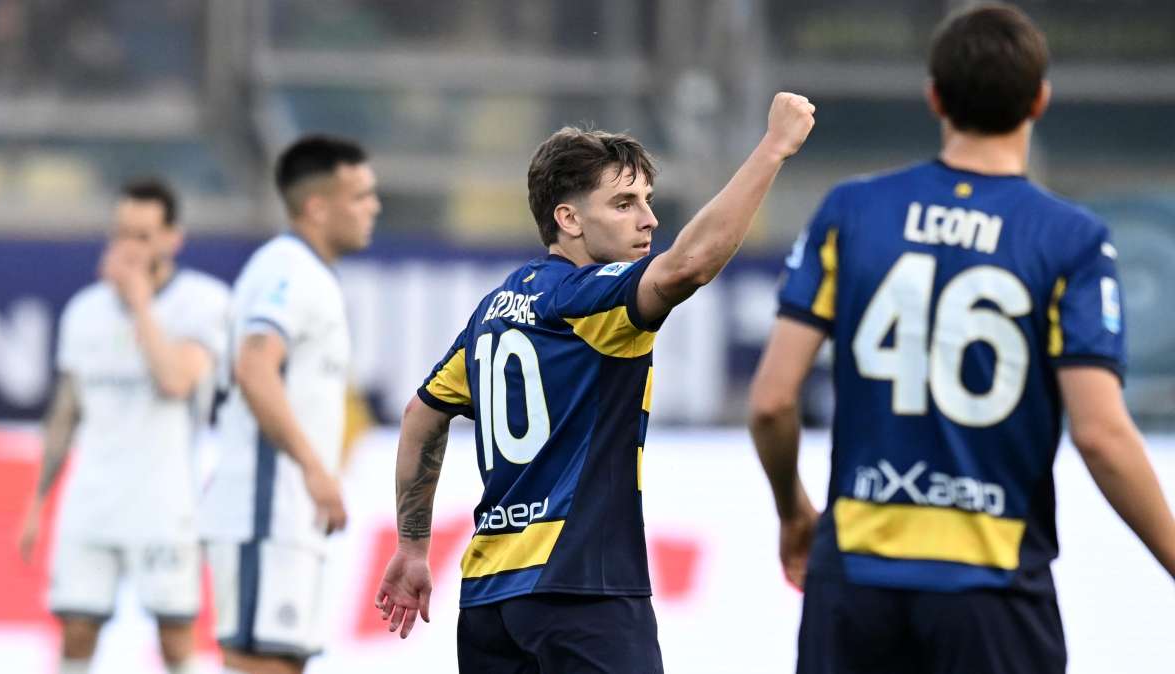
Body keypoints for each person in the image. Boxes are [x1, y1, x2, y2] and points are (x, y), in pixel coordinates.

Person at [747, 5, 1175, 674]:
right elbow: (1100, 436)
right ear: (1039, 100)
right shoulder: (1072, 239)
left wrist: (793, 512)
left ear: (935, 98)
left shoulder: (852, 210)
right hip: (991, 585)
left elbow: (772, 401)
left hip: (855, 579)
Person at [375, 93, 815, 671]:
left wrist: (412, 548)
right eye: (624, 203)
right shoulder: (589, 302)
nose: (649, 219)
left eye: (647, 200)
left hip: (489, 601)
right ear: (569, 219)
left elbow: (421, 415)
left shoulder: (495, 310)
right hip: (581, 589)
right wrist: (773, 148)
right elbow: (690, 264)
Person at [18, 178, 230, 674]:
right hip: (91, 502)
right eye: (121, 234)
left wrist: (139, 304)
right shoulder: (84, 310)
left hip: (164, 504)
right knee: (76, 630)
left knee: (174, 636)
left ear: (173, 238)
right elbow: (66, 412)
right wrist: (37, 499)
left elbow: (176, 380)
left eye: (143, 235)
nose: (129, 247)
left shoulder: (203, 301)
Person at [200, 134, 380, 674]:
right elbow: (255, 366)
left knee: (281, 662)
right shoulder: (286, 269)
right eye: (360, 195)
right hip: (265, 510)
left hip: (288, 516)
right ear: (317, 206)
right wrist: (313, 468)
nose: (373, 207)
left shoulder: (312, 274)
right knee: (262, 664)